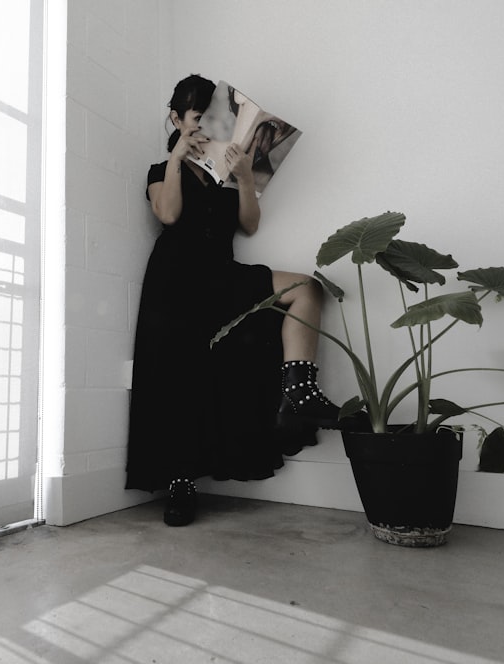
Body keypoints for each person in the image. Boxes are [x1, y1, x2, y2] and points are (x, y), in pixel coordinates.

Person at [125, 74, 345, 527]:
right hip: (175, 282)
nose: (206, 125)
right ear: (176, 118)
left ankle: (299, 393)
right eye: (196, 117)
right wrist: (175, 158)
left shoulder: (226, 173)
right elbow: (167, 214)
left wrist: (245, 177)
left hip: (221, 275)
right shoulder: (159, 170)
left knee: (306, 287)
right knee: (179, 381)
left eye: (213, 118)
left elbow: (248, 226)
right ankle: (180, 482)